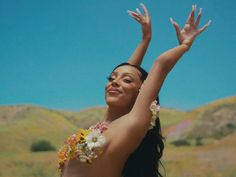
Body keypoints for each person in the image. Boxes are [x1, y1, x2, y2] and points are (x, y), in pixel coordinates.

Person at [58, 4, 211, 177]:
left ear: (141, 93)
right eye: (111, 78)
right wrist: (145, 39)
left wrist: (184, 45)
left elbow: (160, 65)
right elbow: (128, 71)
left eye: (126, 80)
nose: (115, 82)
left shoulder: (131, 125)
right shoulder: (102, 127)